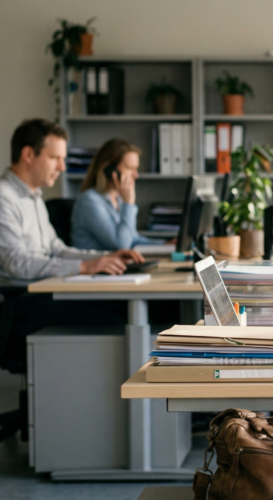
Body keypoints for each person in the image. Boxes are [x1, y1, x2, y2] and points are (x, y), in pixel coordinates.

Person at [0, 119, 143, 371]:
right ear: (28, 154)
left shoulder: (33, 196)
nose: (62, 167)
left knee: (122, 308)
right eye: (55, 158)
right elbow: (15, 263)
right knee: (120, 319)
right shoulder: (4, 198)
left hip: (44, 292)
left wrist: (105, 257)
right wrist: (84, 266)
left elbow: (56, 248)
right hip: (20, 303)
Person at [71, 138, 165, 250]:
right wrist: (129, 203)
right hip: (96, 266)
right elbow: (121, 245)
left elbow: (133, 239)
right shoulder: (89, 201)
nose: (136, 175)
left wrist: (166, 244)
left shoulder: (117, 199)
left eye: (136, 169)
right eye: (130, 168)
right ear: (110, 170)